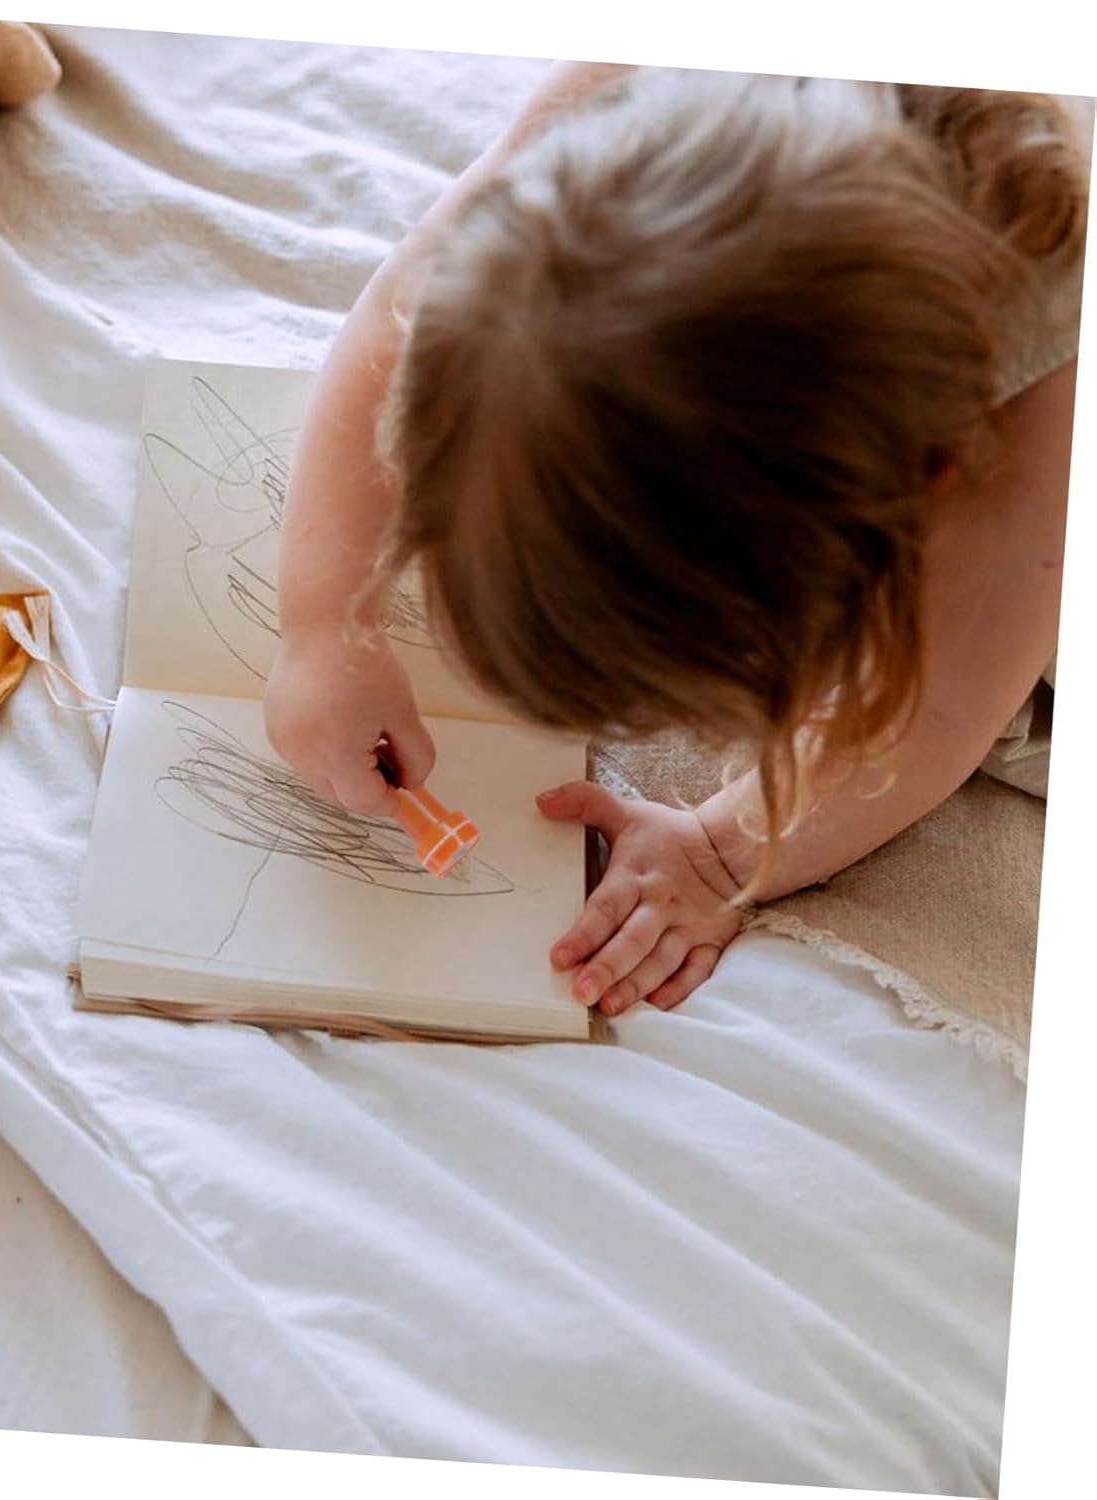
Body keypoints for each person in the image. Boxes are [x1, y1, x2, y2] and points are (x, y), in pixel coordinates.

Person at [263, 63, 1087, 1019]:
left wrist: (720, 854)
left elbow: (941, 702)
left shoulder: (1041, 369)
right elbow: (392, 323)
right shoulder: (608, 109)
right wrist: (324, 623)